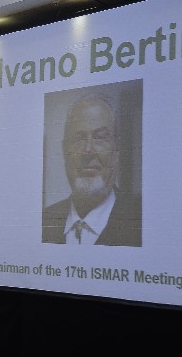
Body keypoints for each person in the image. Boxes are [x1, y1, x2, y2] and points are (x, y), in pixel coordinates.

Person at [42, 95, 141, 246]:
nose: (88, 150)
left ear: (116, 150)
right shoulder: (44, 220)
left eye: (99, 137)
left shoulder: (141, 221)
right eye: (79, 138)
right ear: (64, 150)